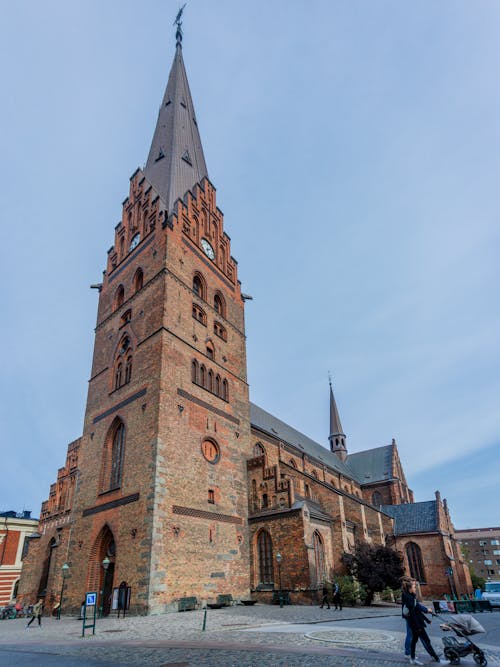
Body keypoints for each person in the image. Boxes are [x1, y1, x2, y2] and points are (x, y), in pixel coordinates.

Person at [402, 579, 445, 665]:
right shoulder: (409, 597)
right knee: (423, 639)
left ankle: (412, 657)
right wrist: (426, 611)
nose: (416, 588)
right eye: (414, 586)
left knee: (414, 639)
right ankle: (435, 658)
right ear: (410, 588)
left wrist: (426, 614)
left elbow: (417, 608)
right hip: (415, 622)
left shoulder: (410, 596)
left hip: (415, 622)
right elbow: (416, 608)